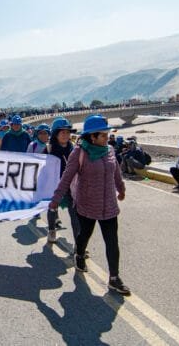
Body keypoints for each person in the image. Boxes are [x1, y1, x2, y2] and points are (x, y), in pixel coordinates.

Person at [49, 115, 130, 295]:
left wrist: (121, 189)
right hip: (87, 204)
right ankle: (79, 254)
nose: (107, 138)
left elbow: (116, 172)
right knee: (84, 234)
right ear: (92, 136)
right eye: (103, 135)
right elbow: (66, 178)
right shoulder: (79, 153)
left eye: (107, 134)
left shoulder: (109, 150)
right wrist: (55, 200)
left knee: (112, 241)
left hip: (109, 205)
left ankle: (114, 278)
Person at [45, 117, 81, 245]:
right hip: (54, 186)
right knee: (52, 208)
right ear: (56, 134)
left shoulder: (75, 149)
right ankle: (51, 230)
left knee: (75, 214)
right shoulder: (48, 149)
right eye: (62, 132)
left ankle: (79, 245)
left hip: (71, 187)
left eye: (68, 132)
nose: (66, 135)